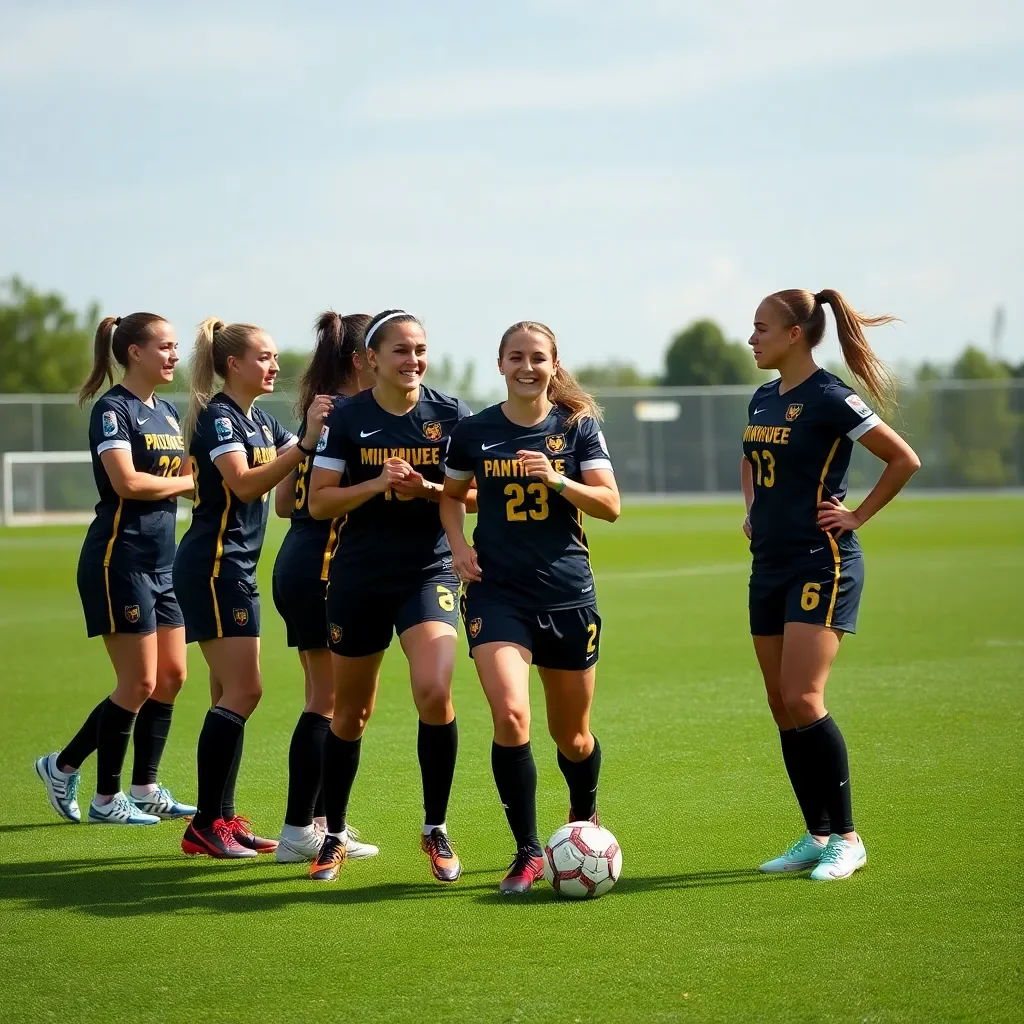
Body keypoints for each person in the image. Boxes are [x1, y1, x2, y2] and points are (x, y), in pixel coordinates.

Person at [742, 289, 920, 880]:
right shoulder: (764, 397)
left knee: (804, 697)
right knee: (779, 703)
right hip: (767, 564)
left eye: (761, 328)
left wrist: (856, 516)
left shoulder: (829, 397)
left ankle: (847, 836)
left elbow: (903, 459)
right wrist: (752, 508)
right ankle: (816, 834)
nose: (752, 338)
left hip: (822, 563)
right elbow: (750, 460)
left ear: (796, 334)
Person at [440, 321, 620, 895]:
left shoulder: (576, 429)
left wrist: (558, 478)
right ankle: (525, 851)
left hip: (568, 595)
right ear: (500, 364)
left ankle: (583, 819)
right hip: (498, 595)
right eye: (515, 356)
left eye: (537, 357)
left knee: (573, 737)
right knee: (512, 716)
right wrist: (459, 546)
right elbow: (449, 498)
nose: (527, 367)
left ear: (553, 364)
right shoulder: (475, 431)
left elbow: (610, 506)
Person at [305, 310, 472, 883]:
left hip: (430, 572)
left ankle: (435, 828)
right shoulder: (347, 419)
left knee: (433, 690)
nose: (413, 360)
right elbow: (318, 503)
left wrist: (424, 487)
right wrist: (377, 484)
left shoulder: (450, 415)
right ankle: (333, 834)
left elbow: (472, 495)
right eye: (400, 350)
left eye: (420, 349)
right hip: (359, 578)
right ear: (370, 359)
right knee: (351, 713)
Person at [173, 317, 332, 859]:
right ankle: (203, 823)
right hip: (213, 567)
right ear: (233, 364)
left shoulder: (259, 421)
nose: (274, 364)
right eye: (264, 356)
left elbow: (295, 478)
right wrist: (306, 442)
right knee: (247, 691)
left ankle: (222, 818)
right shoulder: (220, 418)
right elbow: (243, 484)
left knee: (227, 694)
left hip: (236, 570)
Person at [35, 313, 196, 826]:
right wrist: (188, 485)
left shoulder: (168, 412)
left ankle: (143, 787)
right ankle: (102, 795)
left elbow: (188, 472)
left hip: (162, 563)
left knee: (171, 677)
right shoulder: (112, 410)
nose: (175, 356)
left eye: (176, 347)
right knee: (138, 682)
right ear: (134, 353)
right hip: (118, 559)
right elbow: (126, 483)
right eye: (165, 347)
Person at [271, 311, 379, 863]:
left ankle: (315, 821)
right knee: (327, 701)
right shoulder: (347, 416)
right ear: (364, 359)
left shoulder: (324, 410)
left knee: (331, 698)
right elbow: (291, 501)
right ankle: (297, 831)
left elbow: (283, 502)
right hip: (322, 563)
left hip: (304, 559)